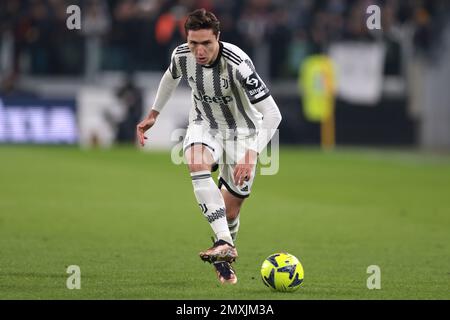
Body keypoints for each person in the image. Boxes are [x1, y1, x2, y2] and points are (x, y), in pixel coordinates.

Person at [136, 8, 282, 285]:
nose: (199, 51)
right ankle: (225, 243)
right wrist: (154, 113)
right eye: (193, 43)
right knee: (195, 159)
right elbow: (170, 77)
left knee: (229, 212)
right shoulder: (182, 56)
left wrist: (252, 154)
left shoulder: (238, 65)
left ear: (218, 38)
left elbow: (273, 114)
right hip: (204, 124)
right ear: (187, 41)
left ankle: (223, 254)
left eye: (206, 43)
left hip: (243, 134)